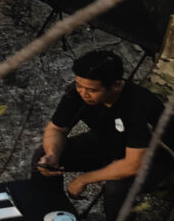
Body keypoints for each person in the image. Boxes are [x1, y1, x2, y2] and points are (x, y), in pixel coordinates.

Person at [37, 49, 165, 207]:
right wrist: (52, 154)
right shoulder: (78, 93)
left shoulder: (138, 107)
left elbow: (133, 165)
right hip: (107, 142)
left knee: (116, 188)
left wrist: (83, 179)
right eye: (79, 85)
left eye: (92, 90)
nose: (83, 93)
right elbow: (56, 129)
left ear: (116, 85)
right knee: (42, 156)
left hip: (154, 160)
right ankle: (48, 210)